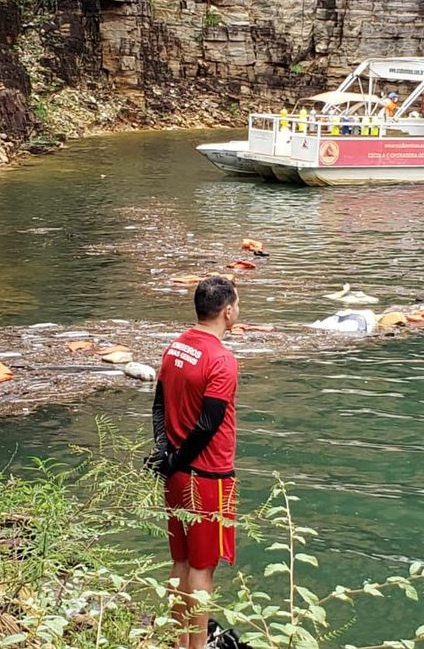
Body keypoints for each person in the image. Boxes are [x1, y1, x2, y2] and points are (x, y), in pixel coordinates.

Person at [148, 276, 241, 649]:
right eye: (238, 304)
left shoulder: (176, 347)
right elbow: (208, 423)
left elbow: (158, 404)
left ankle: (178, 640)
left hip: (176, 472)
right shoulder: (222, 359)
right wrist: (179, 457)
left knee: (181, 561)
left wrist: (166, 454)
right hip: (209, 476)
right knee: (203, 567)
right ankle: (197, 646)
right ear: (227, 311)